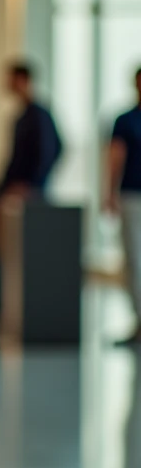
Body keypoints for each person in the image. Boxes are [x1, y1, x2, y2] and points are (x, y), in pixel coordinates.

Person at [0, 60, 63, 254]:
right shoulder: (20, 117)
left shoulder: (39, 115)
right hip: (16, 186)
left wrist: (32, 185)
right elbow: (14, 158)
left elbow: (51, 151)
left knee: (26, 247)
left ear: (23, 80)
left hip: (29, 191)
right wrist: (0, 187)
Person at [107, 66, 141, 347]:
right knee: (134, 261)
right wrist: (109, 193)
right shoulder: (125, 121)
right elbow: (115, 157)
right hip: (132, 197)